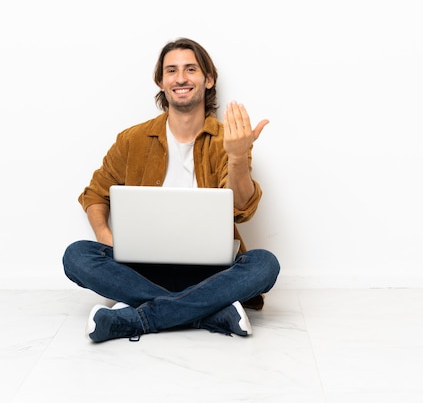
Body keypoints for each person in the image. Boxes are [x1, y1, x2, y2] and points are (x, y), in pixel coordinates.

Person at [62, 37, 280, 343]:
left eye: (190, 69)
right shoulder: (132, 140)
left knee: (264, 264)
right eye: (172, 70)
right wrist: (105, 236)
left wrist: (237, 156)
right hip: (140, 270)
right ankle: (209, 312)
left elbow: (242, 210)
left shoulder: (227, 140)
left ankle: (139, 317)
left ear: (208, 79)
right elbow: (95, 194)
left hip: (211, 272)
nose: (180, 78)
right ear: (161, 82)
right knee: (76, 256)